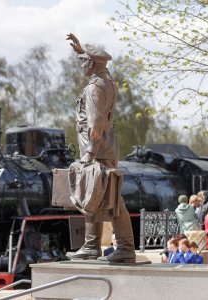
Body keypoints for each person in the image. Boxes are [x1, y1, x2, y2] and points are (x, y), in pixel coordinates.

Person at [65, 33, 136, 263]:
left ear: (92, 64)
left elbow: (95, 124)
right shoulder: (105, 81)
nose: (80, 66)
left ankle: (125, 248)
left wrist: (89, 153)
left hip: (98, 151)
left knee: (113, 199)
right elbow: (96, 64)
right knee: (91, 194)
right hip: (102, 149)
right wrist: (81, 50)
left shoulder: (95, 88)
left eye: (83, 62)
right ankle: (91, 246)